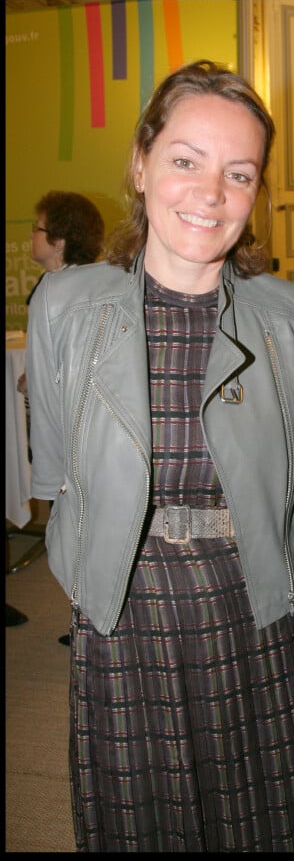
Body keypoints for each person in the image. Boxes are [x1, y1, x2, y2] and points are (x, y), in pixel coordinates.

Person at [26, 60, 294, 852]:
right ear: (141, 163)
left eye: (239, 173)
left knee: (270, 826)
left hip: (255, 609)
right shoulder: (63, 306)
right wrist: (95, 586)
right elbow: (58, 474)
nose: (211, 193)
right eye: (185, 160)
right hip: (123, 613)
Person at [18, 190, 105, 648]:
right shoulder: (109, 277)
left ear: (58, 240)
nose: (31, 236)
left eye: (37, 228)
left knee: (72, 533)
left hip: (71, 439)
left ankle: (89, 621)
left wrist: (48, 472)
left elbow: (53, 389)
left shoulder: (52, 290)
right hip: (103, 437)